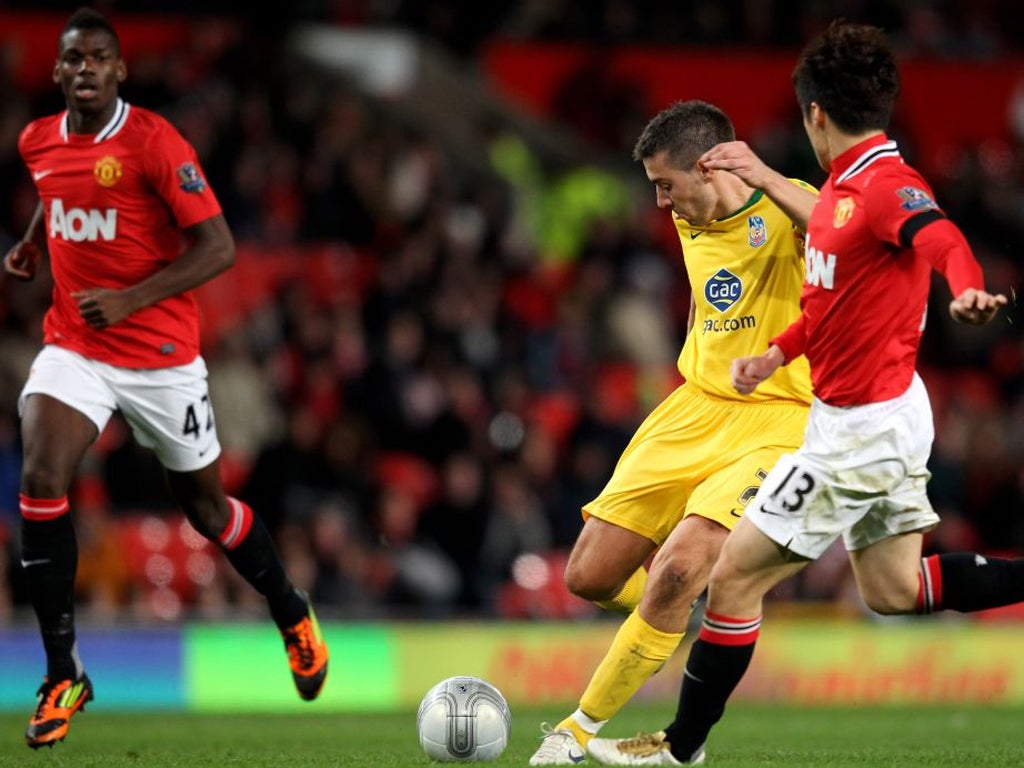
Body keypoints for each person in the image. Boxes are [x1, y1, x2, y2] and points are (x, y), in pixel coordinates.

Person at [587, 21, 1014, 767]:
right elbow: (831, 310)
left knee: (732, 575)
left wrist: (969, 288)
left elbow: (939, 235)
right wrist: (776, 353)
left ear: (814, 113)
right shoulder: (849, 189)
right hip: (880, 412)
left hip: (861, 427)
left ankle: (678, 747)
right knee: (893, 590)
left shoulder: (880, 184)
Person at [5, 8, 329, 749]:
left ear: (119, 71)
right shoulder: (37, 141)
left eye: (98, 59)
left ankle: (289, 609)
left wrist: (128, 298)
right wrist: (30, 248)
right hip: (76, 347)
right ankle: (63, 673)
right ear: (57, 73)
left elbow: (218, 248)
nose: (84, 68)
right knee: (43, 471)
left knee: (208, 512)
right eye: (72, 59)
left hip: (160, 359)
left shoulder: (154, 142)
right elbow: (56, 200)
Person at [529, 100, 817, 765]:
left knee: (682, 564)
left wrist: (769, 177)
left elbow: (845, 228)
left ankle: (576, 731)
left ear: (710, 165)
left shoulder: (787, 205)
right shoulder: (693, 216)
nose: (660, 203)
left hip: (778, 417)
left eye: (666, 184)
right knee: (591, 576)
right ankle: (666, 612)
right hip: (692, 409)